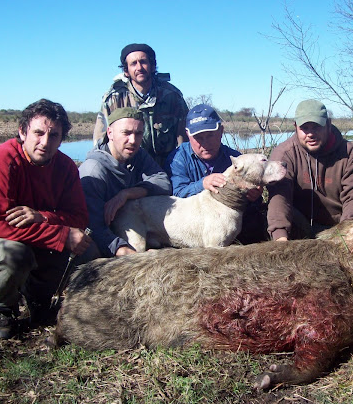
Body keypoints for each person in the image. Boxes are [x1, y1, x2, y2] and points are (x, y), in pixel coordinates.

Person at [0, 99, 92, 339]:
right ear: (22, 131)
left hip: (30, 231)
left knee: (89, 250)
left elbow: (79, 217)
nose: (45, 142)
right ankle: (1, 311)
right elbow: (0, 225)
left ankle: (39, 297)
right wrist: (61, 234)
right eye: (38, 133)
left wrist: (43, 217)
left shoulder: (66, 167)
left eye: (54, 135)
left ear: (62, 139)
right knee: (14, 253)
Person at [267, 99, 353, 241]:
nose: (310, 134)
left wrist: (350, 232)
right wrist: (280, 238)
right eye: (305, 128)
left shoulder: (350, 154)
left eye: (316, 127)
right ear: (295, 127)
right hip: (298, 226)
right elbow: (280, 197)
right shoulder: (284, 154)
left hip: (338, 227)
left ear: (328, 124)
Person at [165, 103, 267, 244]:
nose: (205, 143)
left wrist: (254, 197)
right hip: (191, 225)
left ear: (221, 131)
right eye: (198, 137)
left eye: (210, 135)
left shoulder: (236, 160)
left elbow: (252, 200)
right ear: (188, 135)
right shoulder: (177, 158)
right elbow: (177, 194)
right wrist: (203, 184)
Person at [80, 107, 172, 257]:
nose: (133, 141)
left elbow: (163, 182)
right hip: (104, 239)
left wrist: (127, 194)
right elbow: (93, 227)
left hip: (132, 227)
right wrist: (126, 252)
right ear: (110, 133)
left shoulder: (137, 155)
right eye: (126, 133)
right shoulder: (93, 171)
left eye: (138, 133)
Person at [92, 43, 189, 167]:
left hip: (167, 168)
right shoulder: (114, 98)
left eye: (143, 62)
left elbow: (185, 141)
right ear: (126, 71)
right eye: (133, 64)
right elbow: (100, 142)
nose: (139, 67)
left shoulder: (172, 96)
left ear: (153, 66)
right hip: (128, 170)